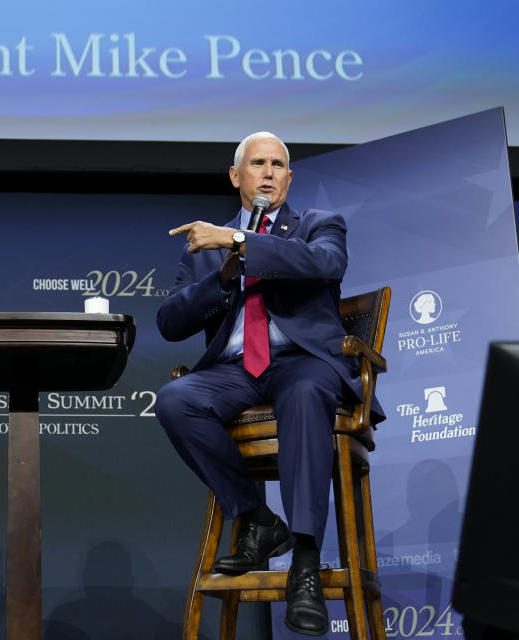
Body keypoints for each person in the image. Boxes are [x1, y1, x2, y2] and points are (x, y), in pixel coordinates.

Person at [154, 131, 382, 636]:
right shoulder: (205, 244)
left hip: (302, 362)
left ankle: (304, 561)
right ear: (237, 177)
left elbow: (325, 263)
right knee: (175, 400)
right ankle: (256, 517)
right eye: (258, 163)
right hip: (234, 372)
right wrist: (222, 275)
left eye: (279, 164)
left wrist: (240, 241)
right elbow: (170, 322)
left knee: (304, 392)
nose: (269, 173)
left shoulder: (318, 225)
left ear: (289, 178)